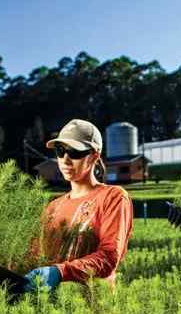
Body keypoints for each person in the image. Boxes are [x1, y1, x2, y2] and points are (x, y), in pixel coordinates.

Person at [24, 119, 134, 291]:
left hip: (92, 308)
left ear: (94, 156)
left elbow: (108, 257)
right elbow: (34, 254)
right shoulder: (53, 207)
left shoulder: (113, 197)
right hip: (51, 307)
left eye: (74, 152)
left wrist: (60, 272)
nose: (65, 160)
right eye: (60, 151)